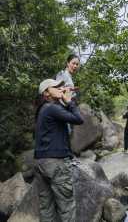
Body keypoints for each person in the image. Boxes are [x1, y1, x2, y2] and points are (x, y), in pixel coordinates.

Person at [34, 78, 84, 222]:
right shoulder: (52, 108)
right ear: (46, 93)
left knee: (46, 207)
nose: (60, 88)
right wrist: (69, 101)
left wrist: (63, 99)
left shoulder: (43, 109)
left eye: (60, 86)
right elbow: (78, 119)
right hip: (56, 163)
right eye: (55, 87)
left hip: (40, 162)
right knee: (67, 208)